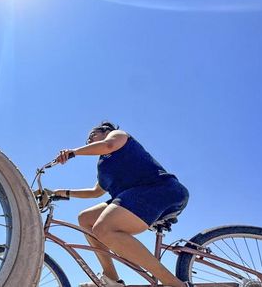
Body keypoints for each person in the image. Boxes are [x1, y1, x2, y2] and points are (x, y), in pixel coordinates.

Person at [53, 121, 190, 287]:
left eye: (92, 135)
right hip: (135, 197)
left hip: (159, 189)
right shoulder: (103, 166)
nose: (88, 140)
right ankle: (112, 279)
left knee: (104, 228)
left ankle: (174, 284)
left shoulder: (118, 136)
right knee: (86, 218)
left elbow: (109, 145)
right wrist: (63, 192)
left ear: (105, 131)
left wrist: (73, 152)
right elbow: (95, 192)